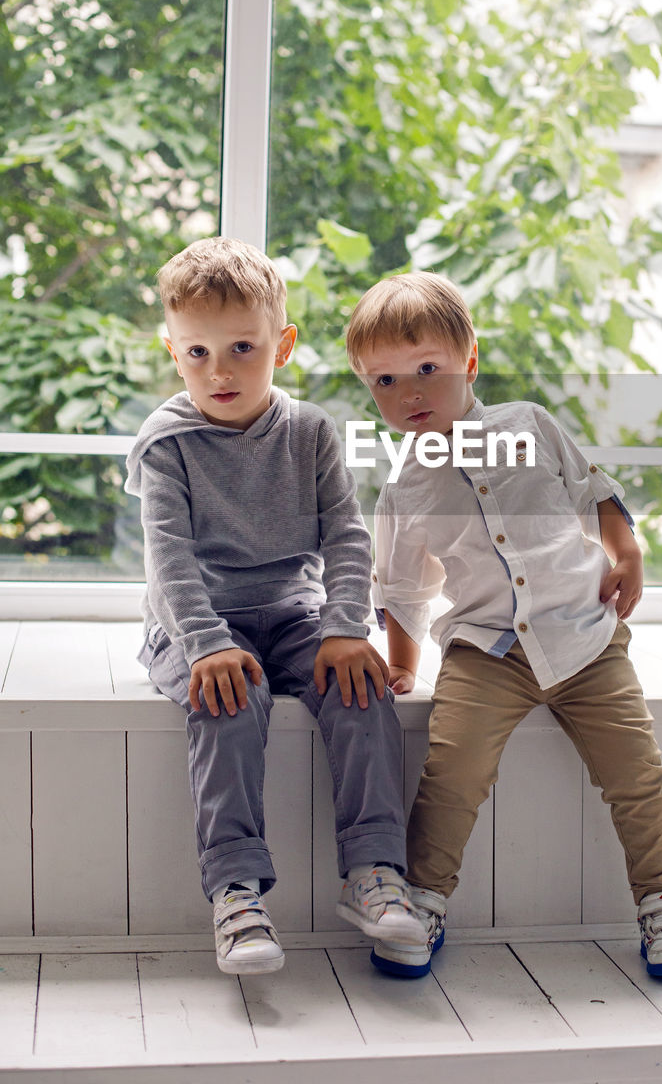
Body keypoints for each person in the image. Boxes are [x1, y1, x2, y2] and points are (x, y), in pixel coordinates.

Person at [345, 270, 662, 980]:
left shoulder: (528, 426)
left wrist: (626, 552)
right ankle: (421, 902)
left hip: (584, 637)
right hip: (486, 651)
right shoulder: (403, 488)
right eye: (383, 382)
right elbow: (402, 587)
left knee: (637, 775)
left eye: (426, 370)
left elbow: (592, 489)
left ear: (469, 361)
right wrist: (401, 663)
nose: (408, 393)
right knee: (451, 775)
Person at [125, 238, 426, 976]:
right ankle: (235, 894)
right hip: (195, 624)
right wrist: (205, 643)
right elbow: (169, 561)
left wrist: (344, 629)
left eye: (241, 348)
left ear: (282, 345)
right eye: (195, 353)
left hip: (293, 614)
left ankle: (374, 873)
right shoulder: (167, 444)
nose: (218, 370)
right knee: (231, 695)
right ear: (172, 352)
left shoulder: (309, 432)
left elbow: (347, 538)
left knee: (358, 691)